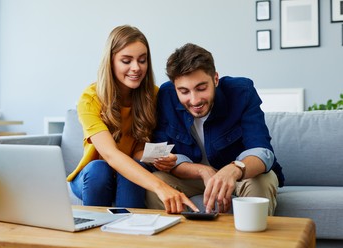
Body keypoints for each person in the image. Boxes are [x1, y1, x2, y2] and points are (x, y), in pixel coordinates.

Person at [67, 25, 198, 213]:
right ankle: (95, 238)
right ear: (111, 62)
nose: (136, 68)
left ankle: (131, 236)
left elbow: (137, 151)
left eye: (142, 60)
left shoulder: (153, 95)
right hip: (94, 176)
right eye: (126, 61)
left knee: (134, 167)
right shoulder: (90, 98)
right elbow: (111, 155)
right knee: (99, 168)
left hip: (129, 175)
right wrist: (161, 187)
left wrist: (157, 158)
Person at [146, 43, 284, 215]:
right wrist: (202, 170)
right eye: (184, 91)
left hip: (240, 176)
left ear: (215, 79)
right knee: (156, 183)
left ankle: (251, 242)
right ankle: (178, 241)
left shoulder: (242, 92)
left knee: (262, 181)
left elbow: (262, 151)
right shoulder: (166, 96)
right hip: (193, 178)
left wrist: (234, 169)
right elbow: (163, 155)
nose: (194, 100)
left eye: (201, 88)